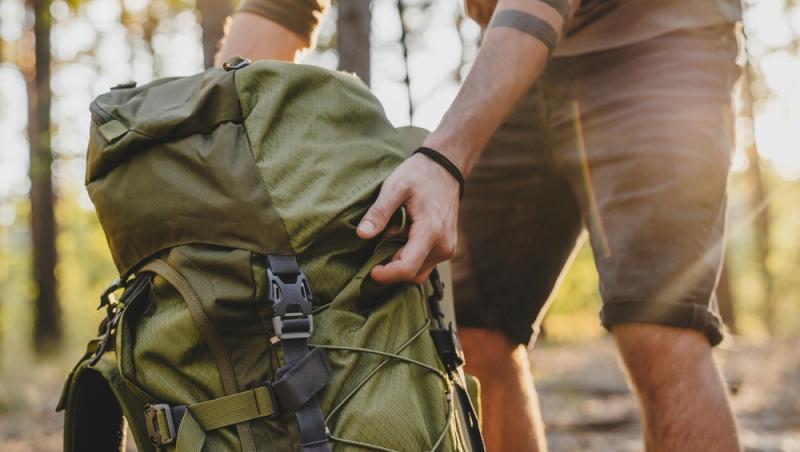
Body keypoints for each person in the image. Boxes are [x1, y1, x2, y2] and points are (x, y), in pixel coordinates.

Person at [218, 0, 742, 450]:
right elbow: (281, 9)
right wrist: (205, 127)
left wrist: (444, 160)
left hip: (657, 42)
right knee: (475, 332)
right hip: (524, 60)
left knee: (659, 322)